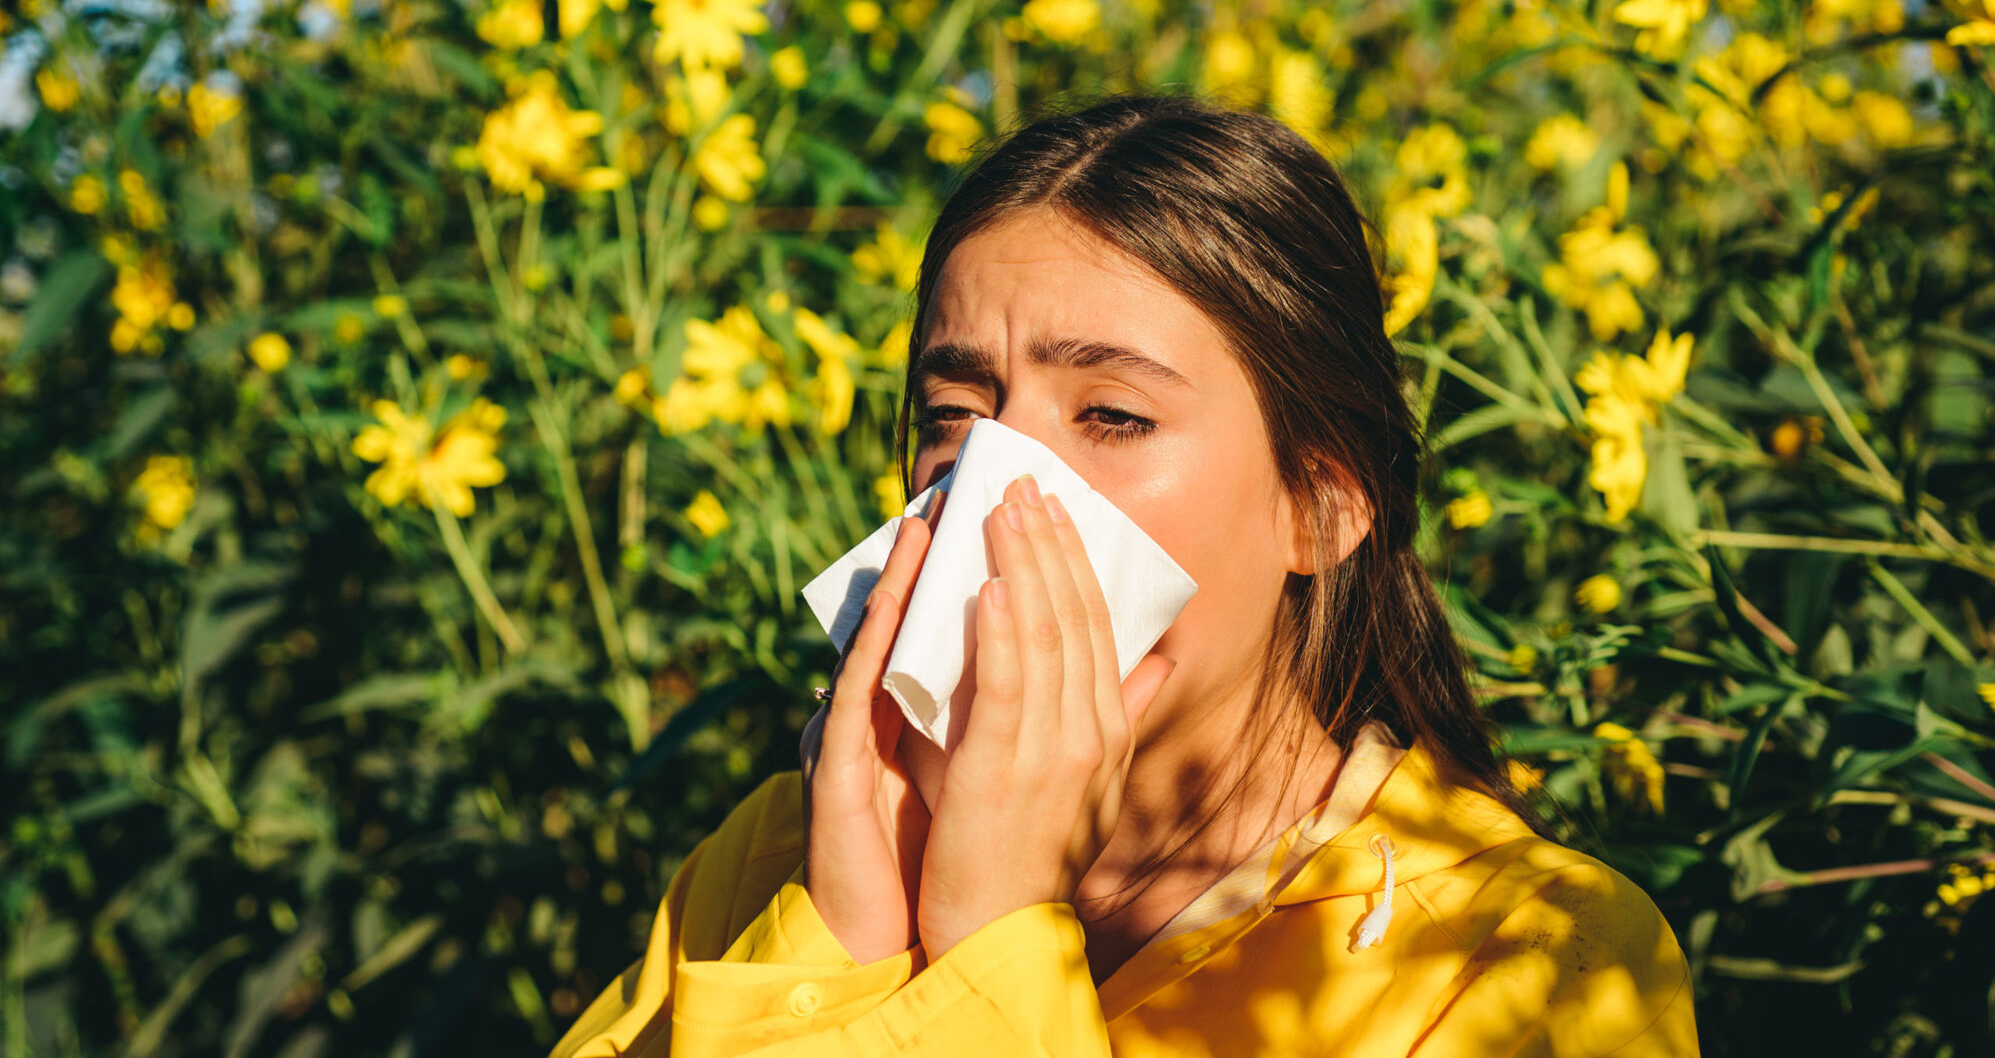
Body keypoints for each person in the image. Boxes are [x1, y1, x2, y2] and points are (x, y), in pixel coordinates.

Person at [549, 95, 1699, 1057]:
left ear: (1321, 504)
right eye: (952, 415)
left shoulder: (1531, 956)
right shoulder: (799, 839)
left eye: (1111, 414)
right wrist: (840, 939)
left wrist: (996, 942)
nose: (994, 485)